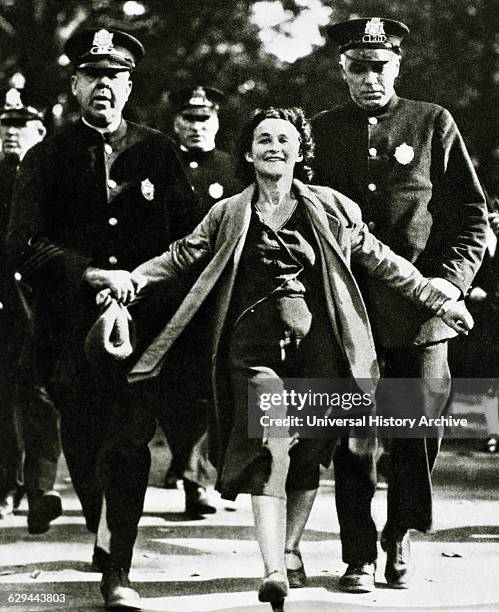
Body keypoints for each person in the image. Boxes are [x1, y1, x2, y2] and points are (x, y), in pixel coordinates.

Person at [109, 107, 471, 611]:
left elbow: (386, 262)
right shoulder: (229, 212)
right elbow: (179, 255)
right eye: (262, 139)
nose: (273, 146)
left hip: (320, 349)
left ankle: (293, 547)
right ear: (247, 152)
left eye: (284, 139)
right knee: (270, 446)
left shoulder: (332, 208)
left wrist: (441, 299)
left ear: (301, 151)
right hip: (252, 348)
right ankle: (274, 569)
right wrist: (130, 280)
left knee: (308, 453)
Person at [7, 28, 199, 610]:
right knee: (85, 440)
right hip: (67, 328)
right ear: (76, 84)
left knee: (129, 439)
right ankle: (102, 526)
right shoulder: (46, 156)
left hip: (142, 326)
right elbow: (22, 243)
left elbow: (190, 237)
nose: (104, 87)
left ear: (129, 86)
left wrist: (142, 281)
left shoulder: (159, 151)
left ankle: (119, 565)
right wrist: (90, 274)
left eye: (115, 77)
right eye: (93, 76)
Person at [312, 17, 488, 592]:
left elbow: (469, 216)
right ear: (343, 71)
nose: (370, 77)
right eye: (357, 67)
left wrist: (451, 284)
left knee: (416, 433)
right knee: (355, 437)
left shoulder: (434, 123)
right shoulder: (321, 131)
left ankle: (399, 534)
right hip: (349, 312)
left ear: (397, 66)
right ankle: (359, 553)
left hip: (421, 311)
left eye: (379, 66)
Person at [156, 86, 241, 513]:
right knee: (174, 387)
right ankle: (185, 463)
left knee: (216, 385)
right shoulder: (159, 170)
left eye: (204, 119)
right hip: (170, 297)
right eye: (188, 119)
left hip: (220, 297)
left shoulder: (234, 169)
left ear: (217, 122)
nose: (196, 127)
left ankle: (198, 477)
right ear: (176, 124)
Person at [0, 88, 62, 533]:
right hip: (3, 302)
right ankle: (6, 484)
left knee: (41, 395)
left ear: (40, 133)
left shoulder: (56, 178)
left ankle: (41, 491)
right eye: (5, 126)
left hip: (44, 303)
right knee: (3, 397)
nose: (10, 133)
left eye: (20, 126)